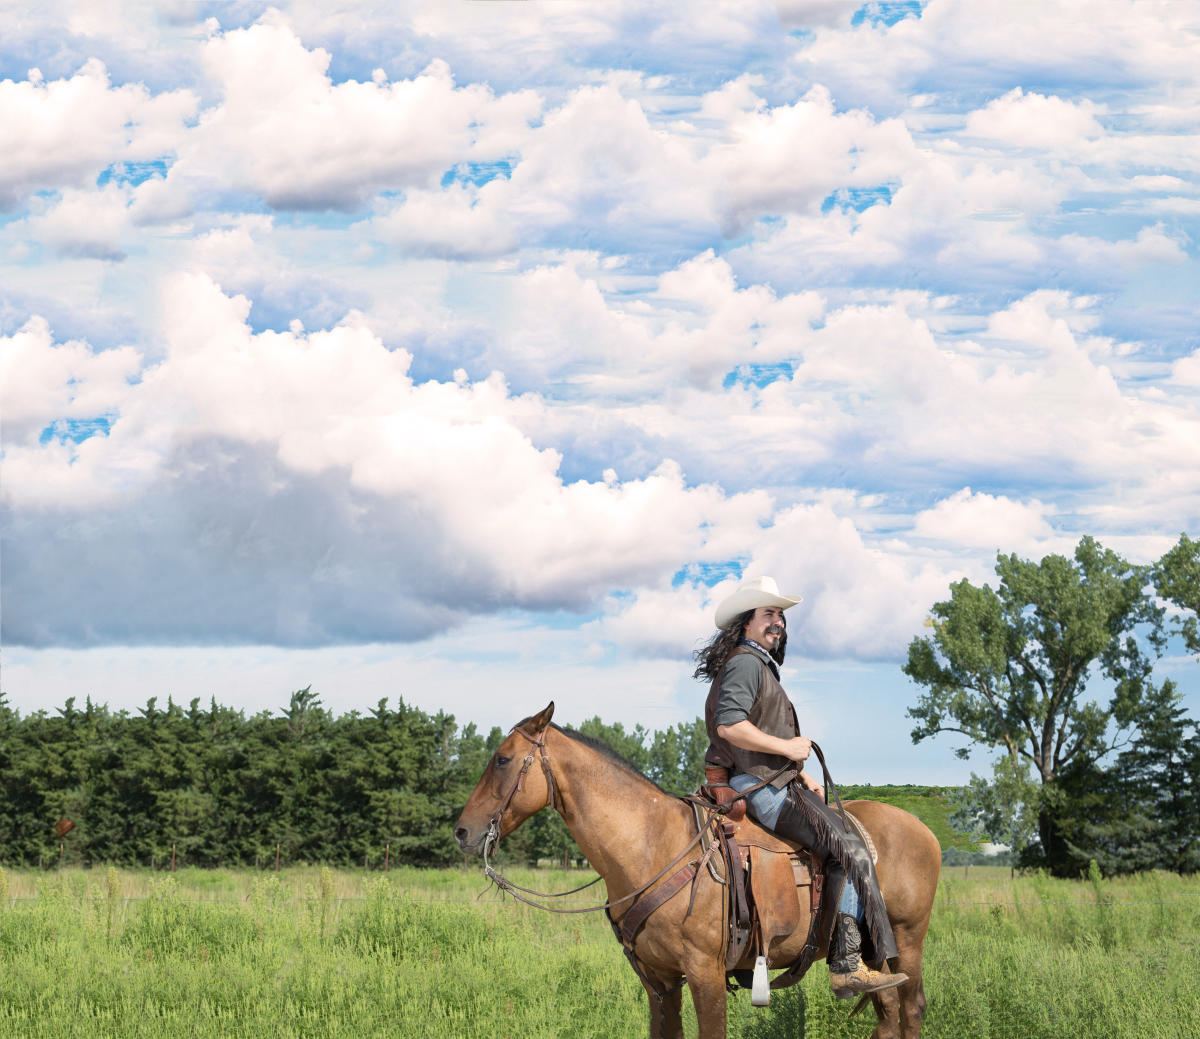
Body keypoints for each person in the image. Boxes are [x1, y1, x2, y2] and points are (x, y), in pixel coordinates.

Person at [695, 576, 907, 999]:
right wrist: (789, 747)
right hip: (759, 788)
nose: (779, 623)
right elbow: (730, 725)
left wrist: (797, 769)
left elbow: (749, 731)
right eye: (769, 614)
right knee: (850, 849)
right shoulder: (745, 663)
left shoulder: (755, 664)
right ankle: (847, 964)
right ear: (746, 623)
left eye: (781, 616)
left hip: (771, 779)